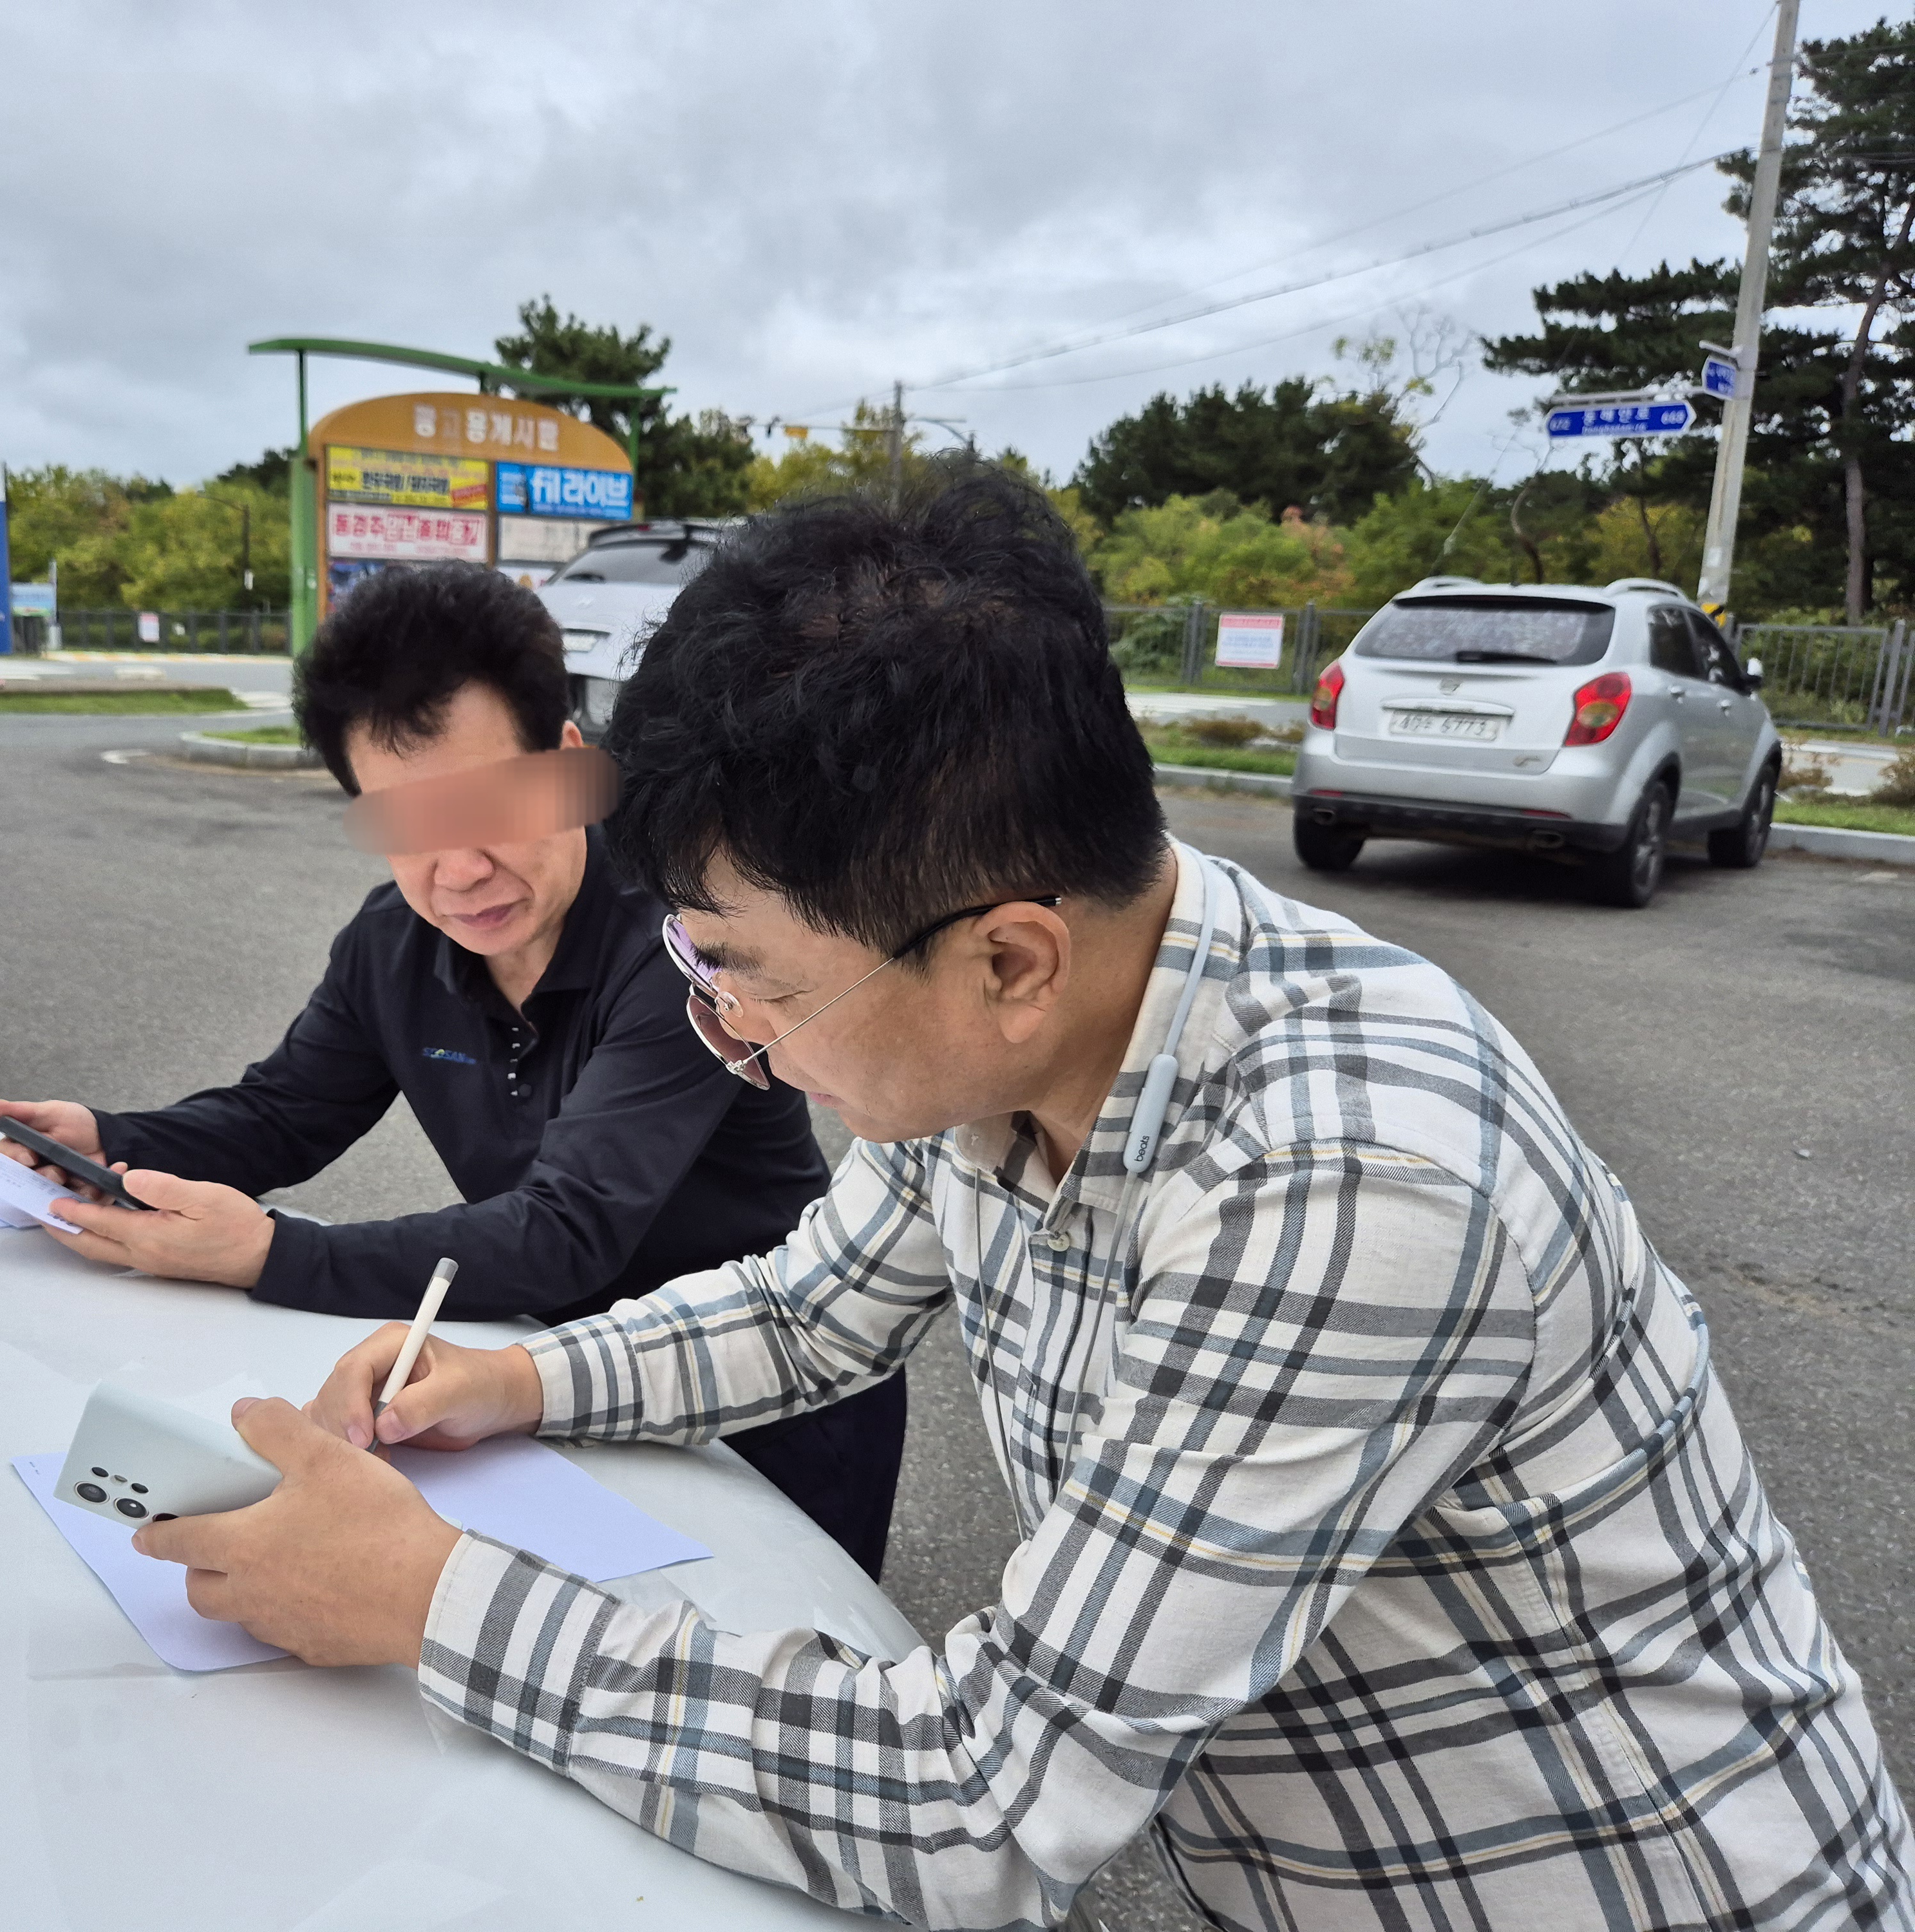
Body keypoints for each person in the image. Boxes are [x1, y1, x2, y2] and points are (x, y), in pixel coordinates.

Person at [124, 462, 1911, 1930]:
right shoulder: (1008, 1012)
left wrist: (433, 1599)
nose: (724, 1033)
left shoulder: (1349, 1182)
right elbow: (809, 1304)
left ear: (1009, 961)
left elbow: (988, 1802)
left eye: (748, 974)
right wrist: (505, 1381)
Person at [0, 562, 906, 1576]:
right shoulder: (395, 943)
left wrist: (267, 1252)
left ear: (566, 759)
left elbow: (570, 1230)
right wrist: (112, 1142)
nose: (459, 870)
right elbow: (286, 1112)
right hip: (523, 1379)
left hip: (766, 1391)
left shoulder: (681, 939)